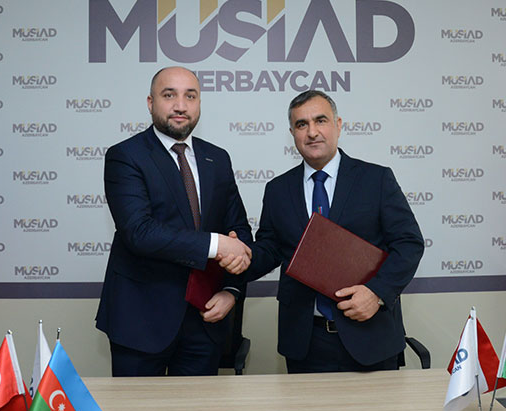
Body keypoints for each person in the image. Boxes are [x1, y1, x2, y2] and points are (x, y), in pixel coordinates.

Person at [245, 90, 424, 373]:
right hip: (305, 342)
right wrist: (238, 254)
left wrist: (376, 293)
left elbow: (409, 243)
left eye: (321, 120)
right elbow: (270, 249)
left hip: (370, 336)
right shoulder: (278, 189)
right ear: (292, 133)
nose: (312, 132)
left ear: (338, 125)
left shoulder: (376, 179)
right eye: (301, 124)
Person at [95, 66, 253, 376]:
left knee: (198, 404)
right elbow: (139, 232)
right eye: (169, 95)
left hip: (205, 319)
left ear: (199, 104)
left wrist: (231, 291)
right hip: (140, 321)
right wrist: (216, 244)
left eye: (190, 96)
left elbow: (239, 231)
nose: (180, 105)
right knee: (136, 405)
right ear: (150, 102)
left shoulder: (217, 158)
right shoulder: (125, 156)